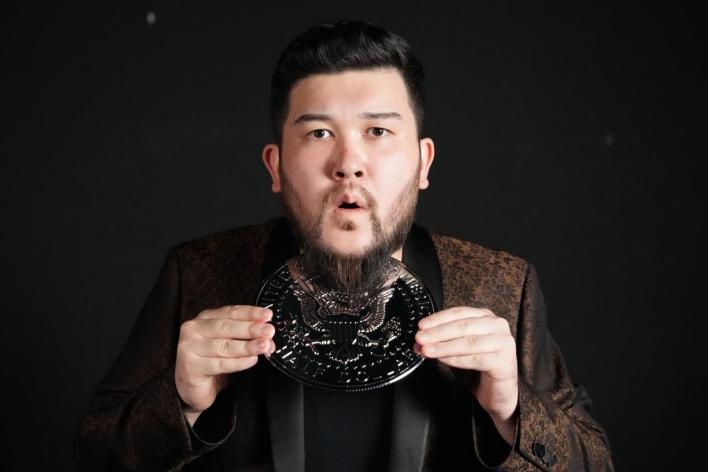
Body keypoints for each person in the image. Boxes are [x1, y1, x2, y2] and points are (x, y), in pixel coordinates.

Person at [75, 20, 613, 471]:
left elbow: (597, 461)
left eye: (378, 131)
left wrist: (513, 410)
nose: (348, 163)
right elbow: (92, 456)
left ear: (422, 163)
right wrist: (180, 404)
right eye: (318, 133)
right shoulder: (197, 273)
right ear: (276, 167)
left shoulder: (504, 285)